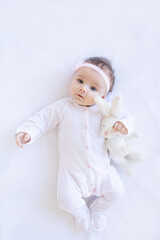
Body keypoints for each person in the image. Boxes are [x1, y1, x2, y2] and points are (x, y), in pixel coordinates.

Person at [15, 57, 133, 232]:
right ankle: (81, 213)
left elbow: (126, 117)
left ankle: (100, 209)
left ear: (102, 96)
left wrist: (123, 126)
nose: (83, 89)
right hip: (72, 175)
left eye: (93, 88)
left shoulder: (104, 111)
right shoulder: (63, 107)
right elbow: (42, 119)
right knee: (66, 201)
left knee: (117, 192)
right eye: (79, 81)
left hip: (102, 172)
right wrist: (28, 132)